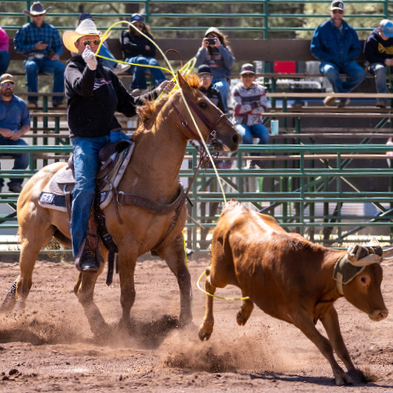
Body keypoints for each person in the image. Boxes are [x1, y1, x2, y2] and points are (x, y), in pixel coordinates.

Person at [62, 19, 174, 272]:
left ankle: (155, 232)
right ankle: (83, 250)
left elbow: (130, 105)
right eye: (86, 41)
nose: (91, 44)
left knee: (144, 168)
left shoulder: (108, 74)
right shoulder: (72, 68)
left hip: (112, 137)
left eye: (95, 41)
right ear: (78, 45)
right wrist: (90, 67)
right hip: (86, 140)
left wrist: (157, 92)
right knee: (84, 188)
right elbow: (82, 89)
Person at [310, 0, 366, 108]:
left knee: (361, 73)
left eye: (340, 12)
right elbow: (314, 49)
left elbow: (356, 48)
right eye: (335, 11)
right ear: (331, 12)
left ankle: (338, 93)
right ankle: (343, 97)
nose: (337, 14)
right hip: (329, 62)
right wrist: (328, 58)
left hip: (346, 62)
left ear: (343, 13)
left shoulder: (350, 30)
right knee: (330, 71)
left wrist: (349, 57)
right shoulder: (322, 29)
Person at [14, 1, 65, 109]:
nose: (38, 16)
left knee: (61, 67)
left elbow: (58, 45)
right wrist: (34, 47)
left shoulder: (51, 29)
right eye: (35, 15)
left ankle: (57, 100)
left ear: (44, 14)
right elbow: (18, 47)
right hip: (31, 58)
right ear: (31, 16)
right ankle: (32, 100)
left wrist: (57, 54)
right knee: (31, 66)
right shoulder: (24, 29)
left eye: (40, 14)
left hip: (46, 61)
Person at [232, 63, 270, 169]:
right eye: (245, 75)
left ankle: (253, 159)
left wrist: (246, 109)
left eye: (250, 75)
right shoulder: (236, 89)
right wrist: (254, 105)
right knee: (246, 136)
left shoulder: (260, 89)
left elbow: (264, 108)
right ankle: (253, 160)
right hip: (240, 122)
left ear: (254, 76)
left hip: (255, 122)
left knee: (265, 136)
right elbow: (237, 109)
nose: (248, 78)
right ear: (241, 76)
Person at [120, 13, 167, 93]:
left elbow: (152, 52)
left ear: (143, 26)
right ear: (131, 25)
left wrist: (134, 48)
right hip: (130, 62)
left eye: (140, 25)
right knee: (141, 60)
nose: (137, 28)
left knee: (153, 62)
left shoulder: (147, 36)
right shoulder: (126, 34)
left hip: (146, 62)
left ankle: (164, 85)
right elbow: (127, 46)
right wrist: (144, 47)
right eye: (135, 25)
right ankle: (138, 88)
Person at [0, 73, 30, 193]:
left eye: (11, 84)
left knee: (25, 151)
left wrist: (19, 133)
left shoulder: (21, 103)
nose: (8, 86)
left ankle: (15, 182)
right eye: (5, 84)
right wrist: (1, 130)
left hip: (14, 139)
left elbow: (26, 124)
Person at [194, 27, 235, 113]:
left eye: (214, 38)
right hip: (206, 79)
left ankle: (223, 112)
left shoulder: (224, 49)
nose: (212, 40)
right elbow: (196, 64)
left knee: (220, 87)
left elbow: (230, 64)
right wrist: (202, 48)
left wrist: (220, 47)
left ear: (219, 38)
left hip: (221, 78)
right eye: (209, 38)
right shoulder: (203, 50)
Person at [364, 19, 393, 109]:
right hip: (375, 65)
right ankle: (382, 99)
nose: (387, 37)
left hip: (391, 65)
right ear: (379, 30)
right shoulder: (371, 40)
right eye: (386, 34)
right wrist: (383, 61)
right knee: (380, 69)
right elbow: (369, 57)